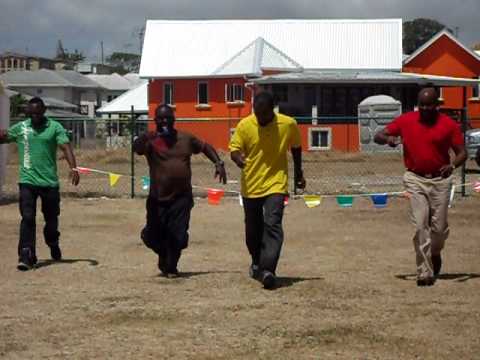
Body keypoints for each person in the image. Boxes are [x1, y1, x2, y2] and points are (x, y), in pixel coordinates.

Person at [374, 87, 467, 287]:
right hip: (414, 178)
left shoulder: (448, 125)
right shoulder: (406, 120)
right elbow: (378, 135)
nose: (425, 108)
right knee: (420, 224)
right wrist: (389, 139)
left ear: (437, 105)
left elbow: (462, 153)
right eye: (421, 105)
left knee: (439, 229)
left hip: (440, 181)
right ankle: (424, 272)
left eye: (429, 105)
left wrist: (452, 165)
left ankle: (435, 253)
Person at [134, 104, 227, 278]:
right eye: (161, 118)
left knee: (177, 233)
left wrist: (218, 163)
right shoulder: (151, 141)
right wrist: (147, 136)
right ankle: (163, 253)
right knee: (153, 235)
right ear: (155, 120)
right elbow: (136, 148)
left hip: (181, 196)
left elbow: (205, 147)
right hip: (157, 198)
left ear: (173, 119)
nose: (165, 121)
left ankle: (171, 266)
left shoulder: (185, 138)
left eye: (168, 118)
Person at [229, 91, 306, 289]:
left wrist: (298, 173)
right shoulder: (245, 125)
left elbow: (296, 147)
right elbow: (234, 149)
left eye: (264, 114)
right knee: (253, 230)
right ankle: (256, 262)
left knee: (272, 223)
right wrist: (238, 159)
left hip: (276, 183)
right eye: (257, 113)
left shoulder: (288, 124)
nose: (260, 118)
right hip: (251, 184)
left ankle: (268, 270)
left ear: (273, 109)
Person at [0, 97, 80, 271]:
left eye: (37, 113)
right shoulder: (22, 127)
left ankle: (52, 241)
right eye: (31, 113)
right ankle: (26, 255)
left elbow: (66, 147)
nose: (34, 117)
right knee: (27, 217)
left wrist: (74, 168)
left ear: (43, 111)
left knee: (51, 219)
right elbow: (4, 135)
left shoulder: (54, 127)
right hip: (27, 181)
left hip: (49, 182)